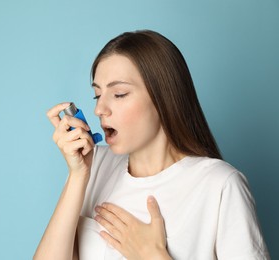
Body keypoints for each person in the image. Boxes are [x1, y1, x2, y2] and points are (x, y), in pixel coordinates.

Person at [34, 30, 270, 260]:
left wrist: (153, 256)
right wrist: (77, 176)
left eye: (119, 94)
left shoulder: (220, 185)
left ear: (163, 98)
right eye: (97, 95)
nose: (99, 109)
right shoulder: (91, 167)